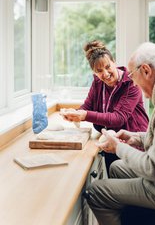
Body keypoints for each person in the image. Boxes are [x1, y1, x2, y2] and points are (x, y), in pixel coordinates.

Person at [84, 42, 155, 225]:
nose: (136, 85)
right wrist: (136, 137)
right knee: (116, 168)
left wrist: (119, 147)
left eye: (133, 76)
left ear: (146, 70)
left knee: (96, 191)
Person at [62, 40, 149, 174]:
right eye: (99, 71)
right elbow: (88, 105)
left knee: (121, 185)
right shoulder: (97, 83)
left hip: (133, 145)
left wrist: (85, 115)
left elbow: (119, 118)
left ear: (114, 62)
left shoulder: (131, 83)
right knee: (114, 180)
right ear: (94, 72)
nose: (105, 73)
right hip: (110, 142)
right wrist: (75, 113)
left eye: (108, 66)